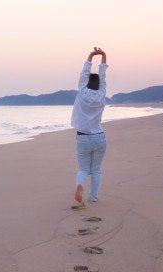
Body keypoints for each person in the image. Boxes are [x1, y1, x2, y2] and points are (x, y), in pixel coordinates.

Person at [71, 47, 108, 205]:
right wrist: (104, 56)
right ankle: (93, 197)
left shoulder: (81, 91)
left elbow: (84, 73)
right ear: (99, 84)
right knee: (96, 170)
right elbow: (103, 75)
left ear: (85, 82)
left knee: (83, 169)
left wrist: (91, 55)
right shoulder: (101, 94)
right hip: (99, 137)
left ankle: (80, 185)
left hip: (83, 137)